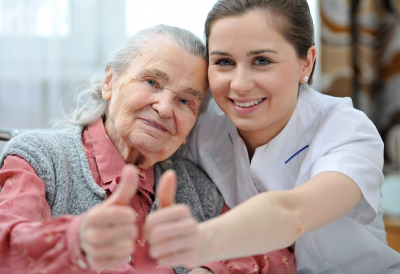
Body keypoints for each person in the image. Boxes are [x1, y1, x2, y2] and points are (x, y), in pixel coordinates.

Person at [0, 24, 296, 274]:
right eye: (152, 82)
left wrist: (210, 268)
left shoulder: (195, 187)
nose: (165, 108)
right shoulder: (40, 158)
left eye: (185, 101)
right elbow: (7, 246)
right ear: (109, 82)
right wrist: (75, 241)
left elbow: (274, 253)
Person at [145, 1, 400, 273]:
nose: (240, 84)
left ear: (307, 63)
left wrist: (197, 244)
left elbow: (292, 215)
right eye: (223, 62)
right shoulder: (202, 128)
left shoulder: (347, 130)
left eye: (262, 61)